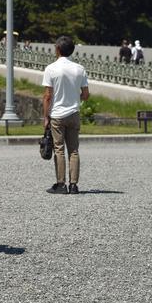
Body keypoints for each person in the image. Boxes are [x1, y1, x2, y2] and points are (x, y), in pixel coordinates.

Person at [42, 35, 90, 195]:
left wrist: (46, 116)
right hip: (74, 113)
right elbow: (86, 94)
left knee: (59, 149)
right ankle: (74, 185)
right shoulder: (79, 69)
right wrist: (75, 98)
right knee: (74, 150)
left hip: (57, 114)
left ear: (57, 49)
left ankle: (61, 184)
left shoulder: (51, 69)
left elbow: (48, 95)